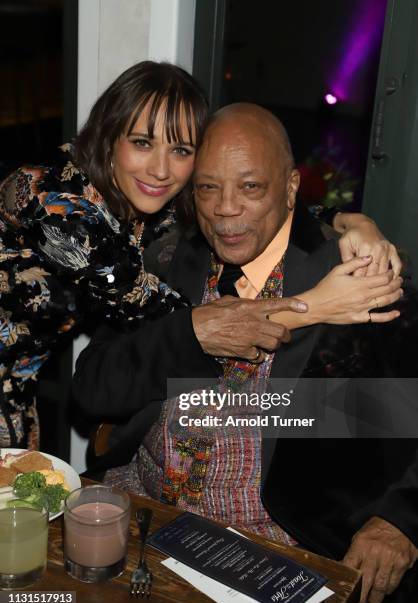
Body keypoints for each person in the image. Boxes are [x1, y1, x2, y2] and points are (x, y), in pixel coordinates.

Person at [73, 103, 417, 603]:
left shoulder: (359, 277)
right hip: (148, 514)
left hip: (283, 548)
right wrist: (188, 336)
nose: (224, 209)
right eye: (208, 188)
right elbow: (93, 386)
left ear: (292, 189)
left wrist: (399, 521)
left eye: (251, 188)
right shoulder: (166, 261)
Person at [0, 61, 401, 451]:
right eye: (142, 142)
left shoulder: (149, 207)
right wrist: (314, 306)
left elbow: (267, 200)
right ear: (109, 139)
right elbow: (178, 322)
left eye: (180, 149)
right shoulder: (53, 205)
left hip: (19, 382)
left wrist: (349, 220)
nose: (160, 169)